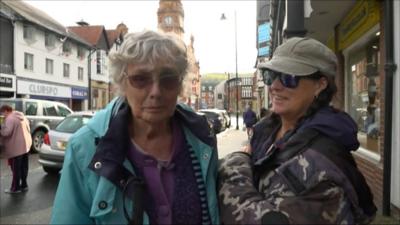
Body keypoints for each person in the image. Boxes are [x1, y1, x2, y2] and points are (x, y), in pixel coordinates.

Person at [51, 30, 219, 225]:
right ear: (123, 83)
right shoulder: (85, 148)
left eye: (168, 79)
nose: (156, 92)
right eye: (140, 79)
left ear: (180, 84)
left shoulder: (202, 140)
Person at [218, 37, 377, 224]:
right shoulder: (267, 131)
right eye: (271, 76)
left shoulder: (320, 162)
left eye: (289, 78)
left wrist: (235, 163)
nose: (275, 86)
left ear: (320, 84)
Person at [0, 104, 32, 194]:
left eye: (3, 113)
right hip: (25, 147)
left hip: (16, 149)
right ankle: (24, 185)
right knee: (23, 168)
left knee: (16, 169)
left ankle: (15, 188)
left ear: (6, 110)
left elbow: (6, 133)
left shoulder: (10, 118)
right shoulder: (22, 116)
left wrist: (1, 127)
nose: (3, 115)